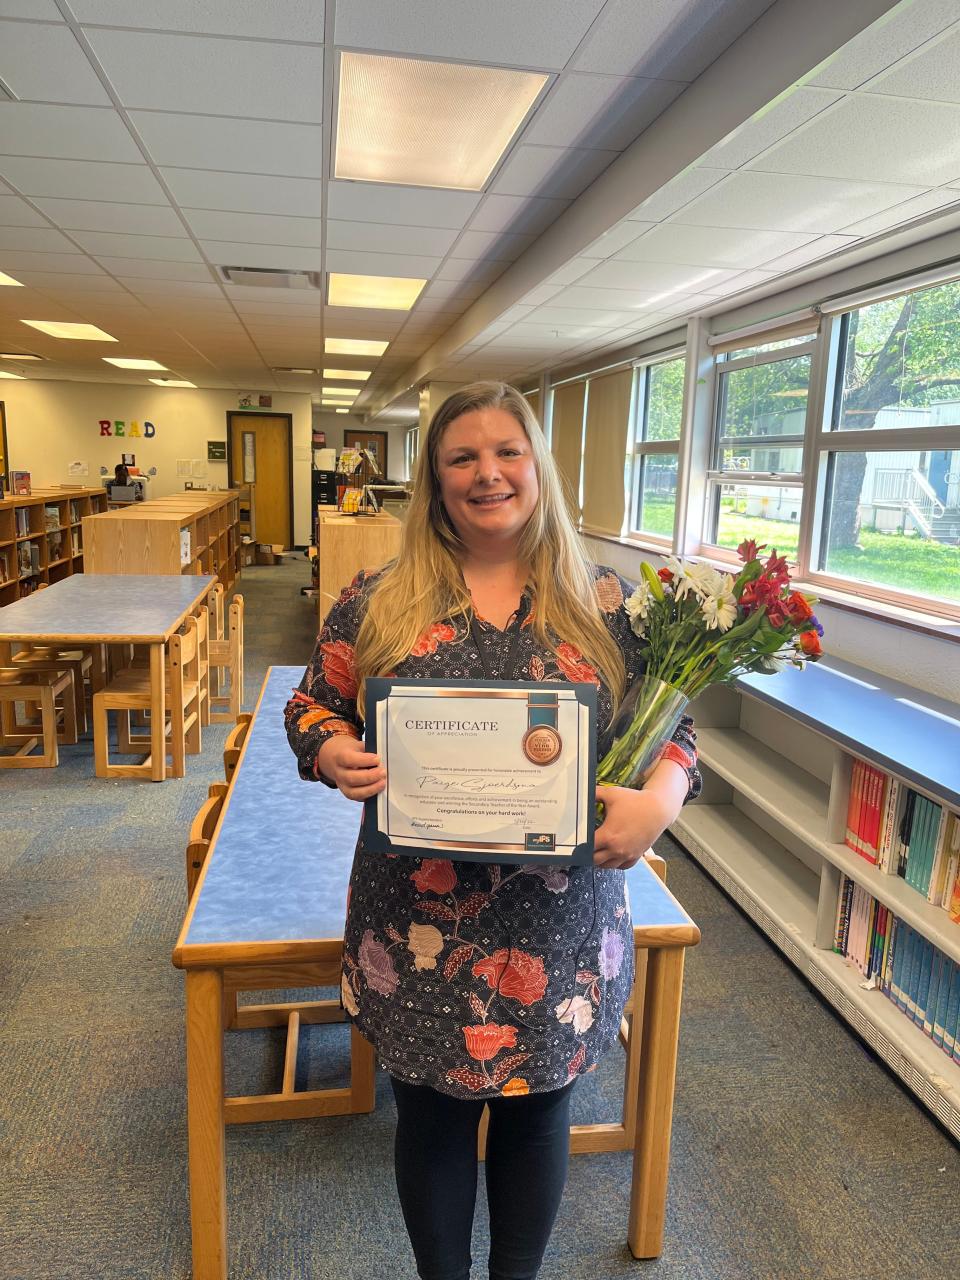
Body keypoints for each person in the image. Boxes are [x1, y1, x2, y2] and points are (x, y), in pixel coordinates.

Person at [285, 382, 701, 1280]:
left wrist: (660, 801)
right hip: (418, 926)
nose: (487, 474)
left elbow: (681, 732)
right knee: (429, 1119)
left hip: (560, 923)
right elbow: (310, 701)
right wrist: (330, 751)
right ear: (435, 482)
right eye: (461, 458)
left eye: (507, 452)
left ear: (537, 467)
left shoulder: (608, 605)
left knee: (538, 1115)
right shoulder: (379, 597)